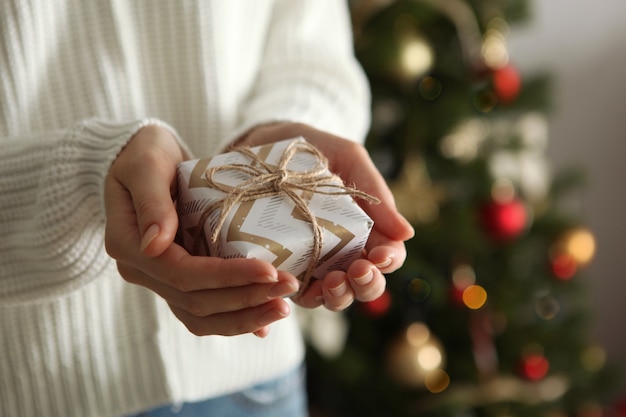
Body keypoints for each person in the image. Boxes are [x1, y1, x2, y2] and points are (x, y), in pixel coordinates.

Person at [0, 1, 414, 416]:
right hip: (45, 391)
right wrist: (85, 177)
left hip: (256, 387)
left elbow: (313, 50)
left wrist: (287, 142)